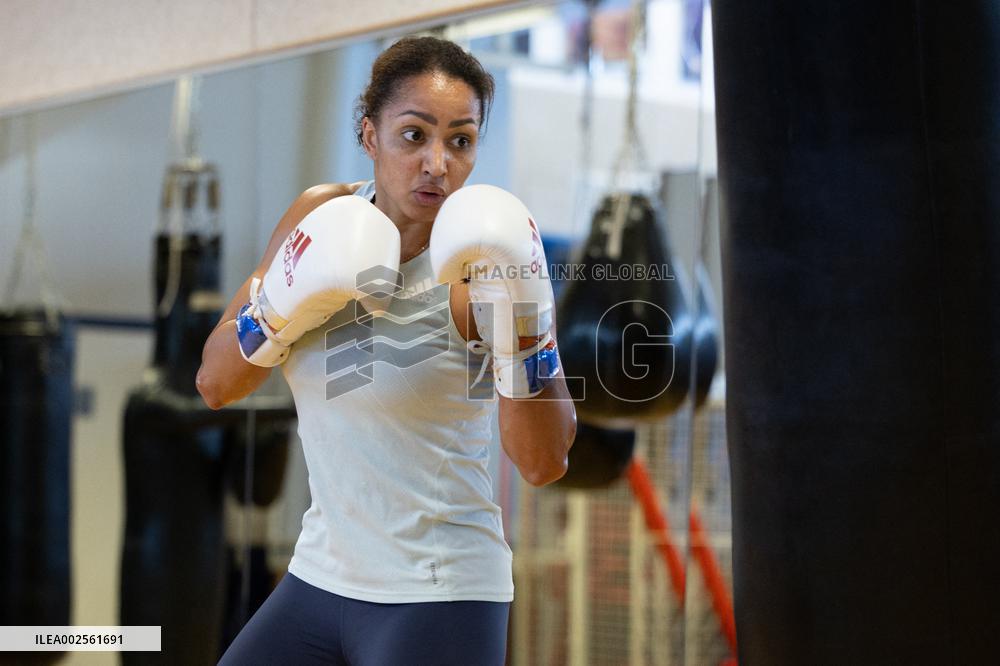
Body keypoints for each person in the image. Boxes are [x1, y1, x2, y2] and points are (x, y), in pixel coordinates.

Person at [197, 36, 576, 665]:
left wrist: (526, 332)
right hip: (319, 578)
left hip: (440, 593)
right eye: (413, 135)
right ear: (369, 135)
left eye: (460, 140)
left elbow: (542, 464)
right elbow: (215, 383)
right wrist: (272, 312)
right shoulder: (318, 216)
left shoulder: (482, 268)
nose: (437, 163)